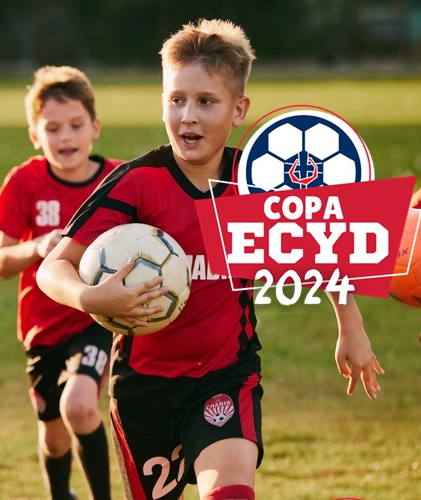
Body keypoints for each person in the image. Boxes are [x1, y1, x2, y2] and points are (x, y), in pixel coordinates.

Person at [36, 19, 382, 500]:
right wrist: (90, 295)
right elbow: (51, 268)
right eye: (176, 99)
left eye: (206, 101)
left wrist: (351, 325)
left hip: (226, 373)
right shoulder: (138, 183)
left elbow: (324, 243)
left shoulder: (259, 179)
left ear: (239, 109)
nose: (188, 116)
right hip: (143, 390)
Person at [0, 66, 120, 500]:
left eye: (76, 126)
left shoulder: (118, 178)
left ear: (94, 127)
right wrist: (38, 246)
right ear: (34, 134)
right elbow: (0, 263)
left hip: (97, 315)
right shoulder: (24, 181)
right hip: (42, 327)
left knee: (80, 406)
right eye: (53, 128)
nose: (66, 138)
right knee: (55, 436)